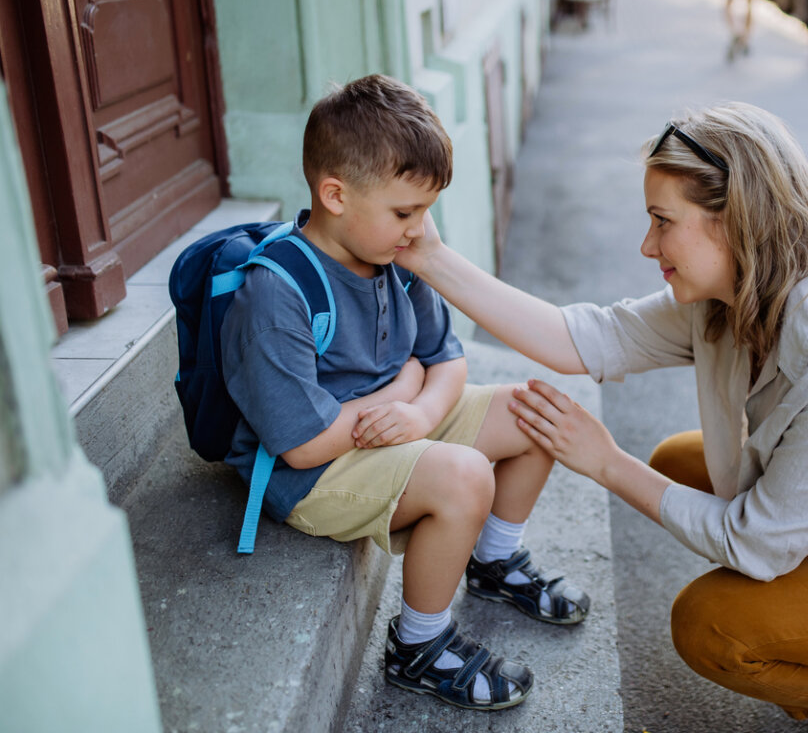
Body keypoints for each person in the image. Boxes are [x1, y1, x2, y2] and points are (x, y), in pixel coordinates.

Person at [394, 102, 808, 732]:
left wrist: (605, 463)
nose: (647, 244)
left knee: (713, 627)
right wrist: (427, 256)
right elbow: (583, 339)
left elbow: (754, 546)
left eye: (662, 221)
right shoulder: (735, 288)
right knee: (682, 465)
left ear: (734, 220)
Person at [220, 74, 589, 712]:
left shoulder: (396, 253)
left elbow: (447, 362)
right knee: (466, 476)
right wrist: (400, 393)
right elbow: (304, 446)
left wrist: (417, 406)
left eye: (425, 210)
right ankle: (419, 647)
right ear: (335, 195)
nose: (420, 230)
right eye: (404, 211)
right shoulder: (275, 294)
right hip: (314, 470)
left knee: (540, 412)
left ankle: (493, 561)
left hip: (394, 425)